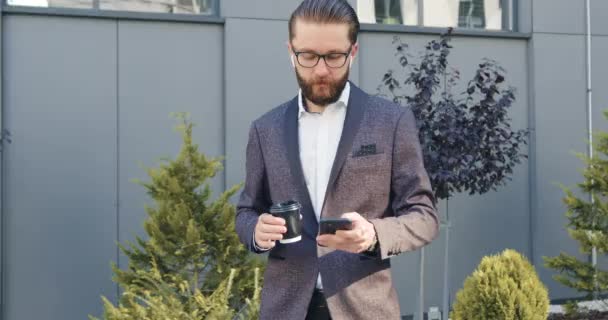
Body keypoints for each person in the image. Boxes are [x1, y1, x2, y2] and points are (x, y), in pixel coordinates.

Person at [235, 0, 439, 319]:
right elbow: (247, 210)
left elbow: (424, 216)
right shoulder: (265, 129)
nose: (320, 69)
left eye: (333, 56)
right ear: (291, 51)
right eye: (308, 56)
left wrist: (373, 234)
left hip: (364, 309)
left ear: (353, 52)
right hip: (286, 309)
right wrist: (255, 232)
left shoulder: (391, 121)